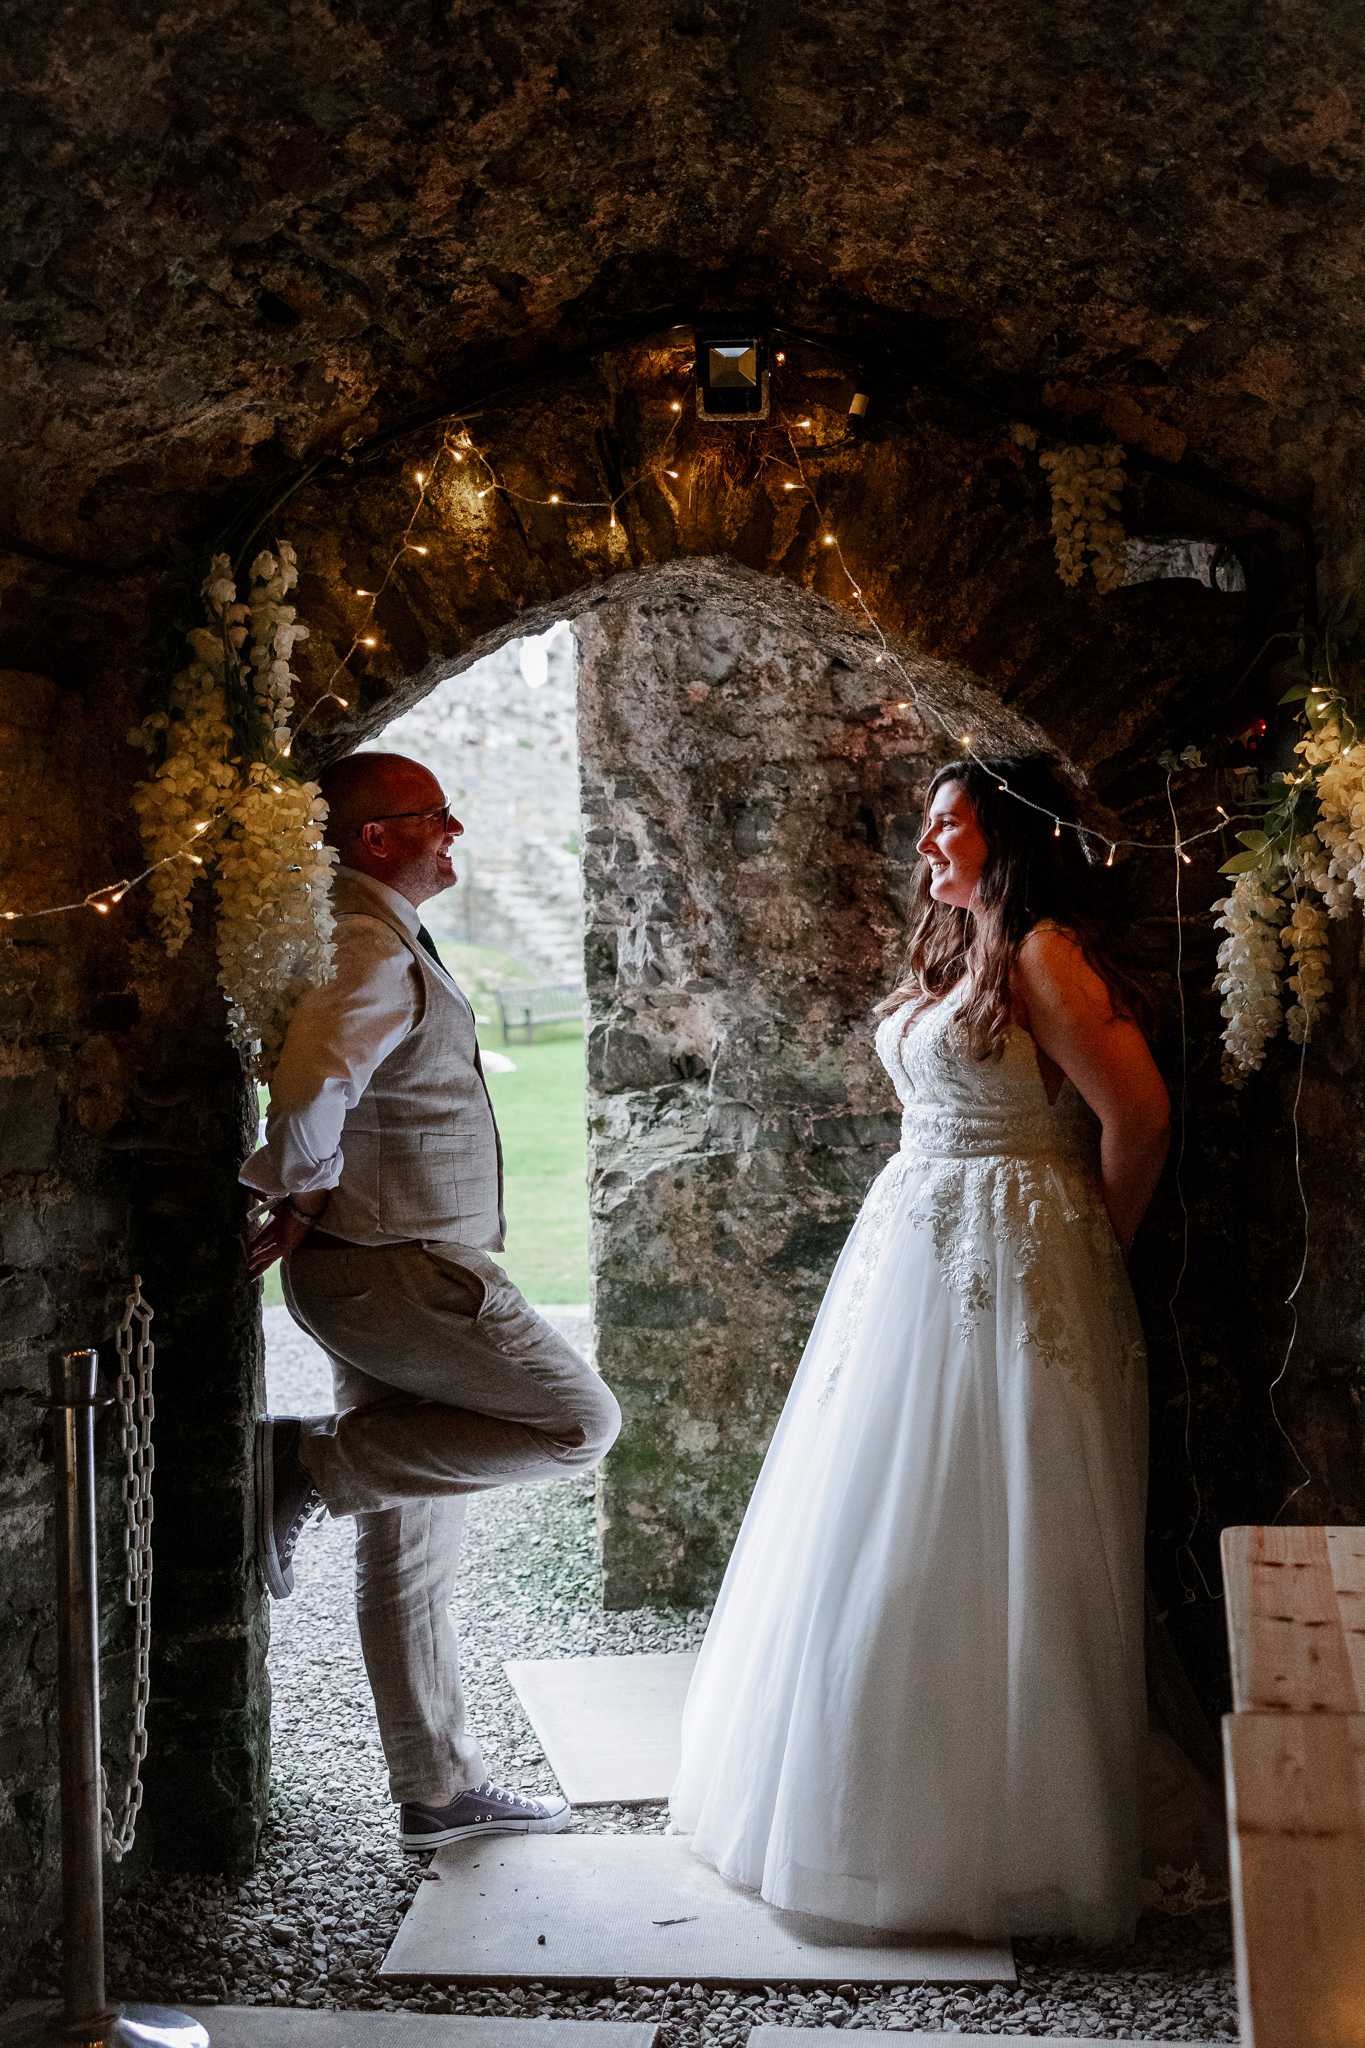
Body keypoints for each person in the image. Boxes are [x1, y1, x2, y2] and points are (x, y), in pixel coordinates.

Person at [669, 755, 1171, 1943]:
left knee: (996, 1515)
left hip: (1018, 1254)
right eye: (929, 826)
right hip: (910, 1251)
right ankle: (853, 1801)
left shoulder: (1047, 952)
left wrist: (1091, 1248)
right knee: (875, 1505)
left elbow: (1137, 1118)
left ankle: (1007, 1833)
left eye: (949, 826)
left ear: (1012, 838)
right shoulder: (963, 951)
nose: (926, 846)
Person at [241, 751, 620, 1850]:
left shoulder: (375, 929)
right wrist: (298, 1181)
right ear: (376, 839)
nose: (454, 830)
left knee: (409, 1538)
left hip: (373, 1259)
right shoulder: (365, 940)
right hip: (406, 1271)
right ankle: (303, 1461)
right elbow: (313, 1084)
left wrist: (311, 1194)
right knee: (576, 1422)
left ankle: (437, 1785)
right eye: (434, 817)